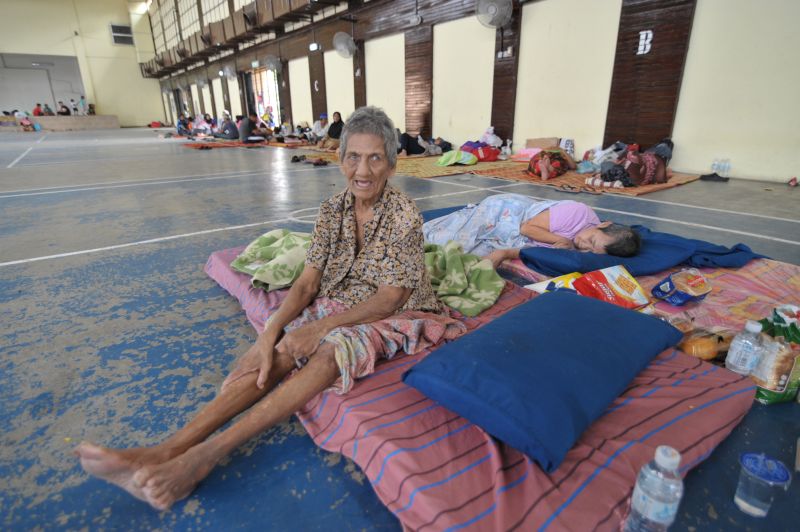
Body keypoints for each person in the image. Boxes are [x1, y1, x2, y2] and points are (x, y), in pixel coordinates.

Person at [73, 106, 463, 511]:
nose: (362, 170)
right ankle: (165, 449)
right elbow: (309, 281)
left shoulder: (404, 216)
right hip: (345, 296)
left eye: (375, 158)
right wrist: (271, 331)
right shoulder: (332, 210)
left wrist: (319, 328)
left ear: (392, 164)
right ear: (339, 158)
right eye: (353, 156)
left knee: (331, 350)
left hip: (393, 310)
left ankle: (202, 458)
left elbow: (389, 299)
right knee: (278, 351)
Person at [422, 193, 641, 266]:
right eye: (591, 240)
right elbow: (527, 228)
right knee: (440, 241)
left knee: (463, 261)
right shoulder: (578, 213)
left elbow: (533, 250)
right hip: (509, 213)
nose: (584, 245)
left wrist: (504, 253)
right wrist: (561, 240)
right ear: (603, 224)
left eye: (593, 251)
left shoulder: (583, 251)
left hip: (510, 237)